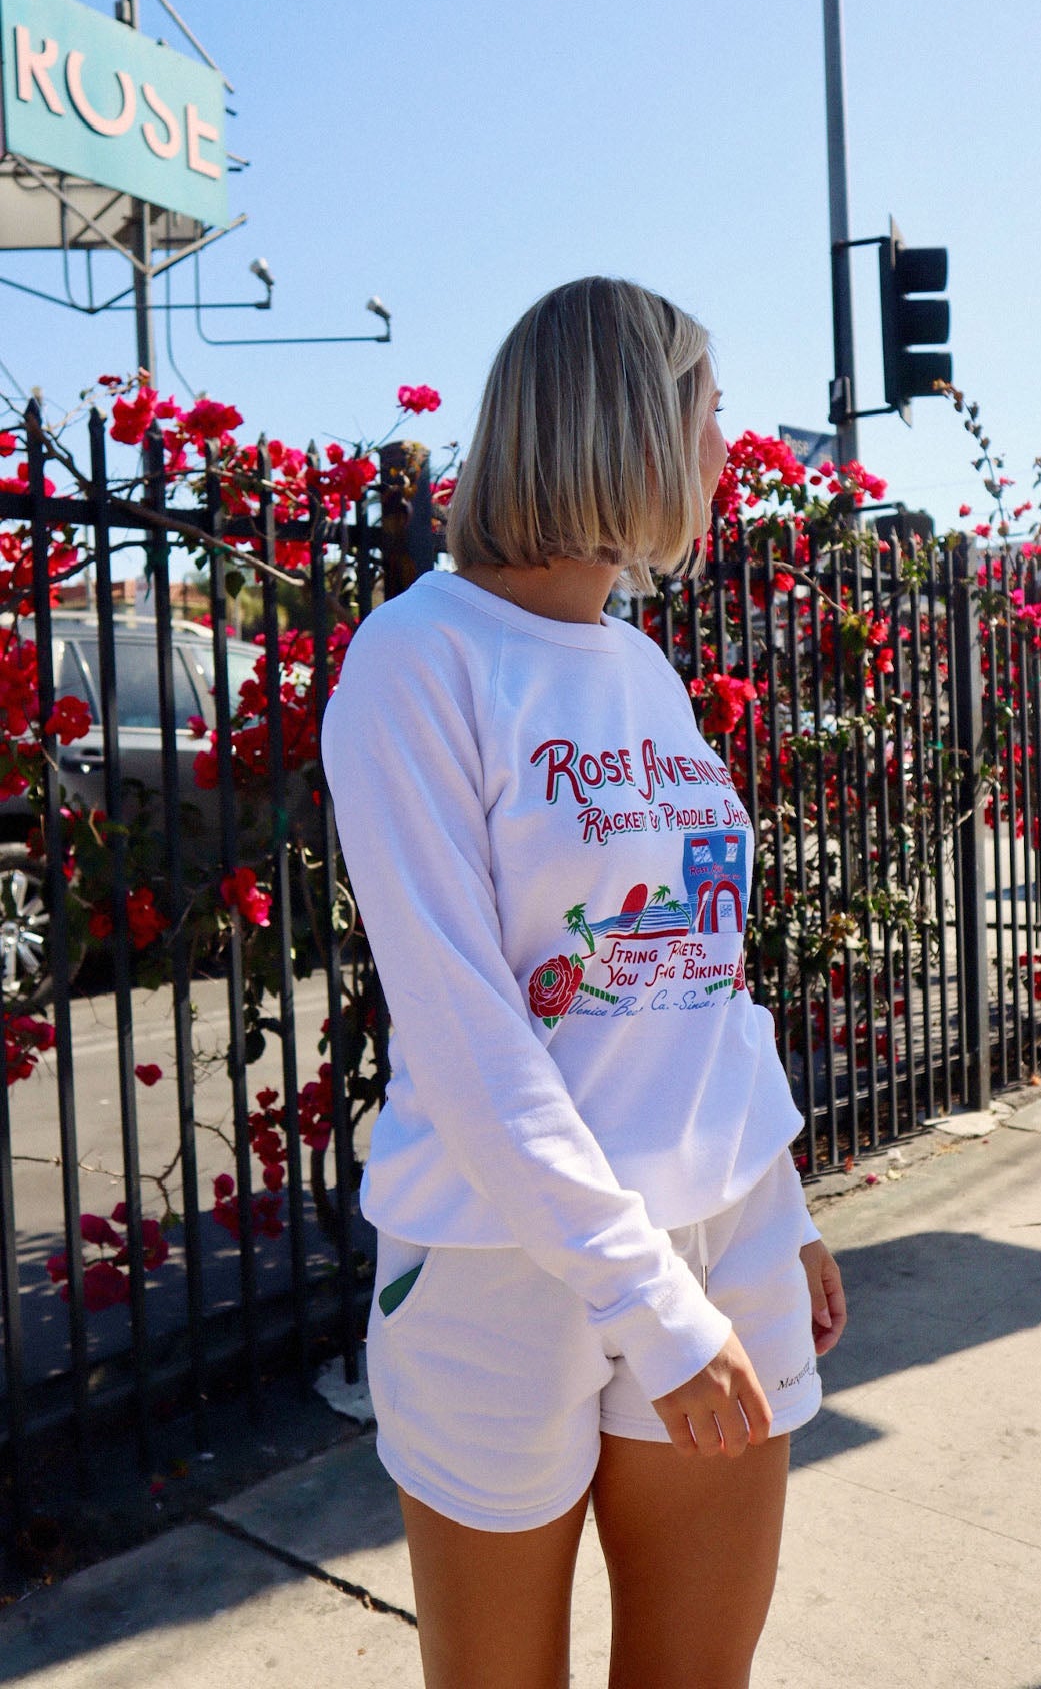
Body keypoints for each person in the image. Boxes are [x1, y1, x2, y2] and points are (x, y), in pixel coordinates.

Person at [321, 276, 846, 1689]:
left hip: (721, 1230)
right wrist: (646, 1306)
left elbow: (705, 970)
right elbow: (467, 1034)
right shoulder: (417, 660)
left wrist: (780, 1202)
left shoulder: (639, 667)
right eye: (710, 413)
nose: (726, 448)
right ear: (628, 424)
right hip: (501, 1262)